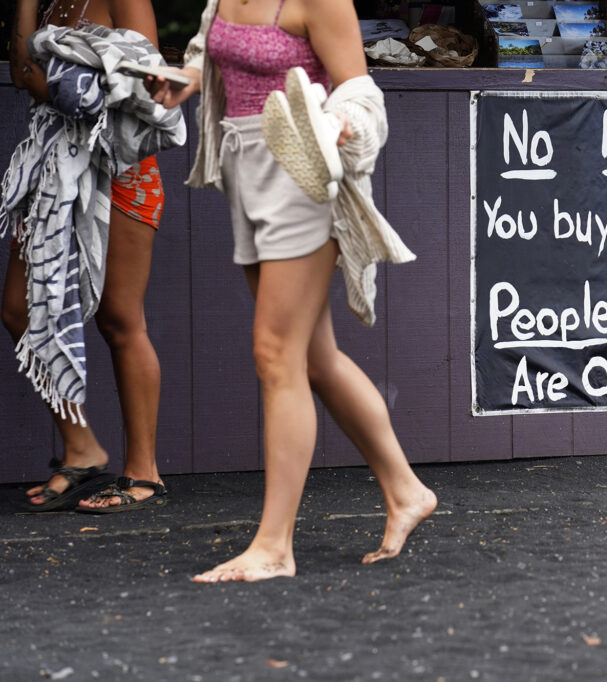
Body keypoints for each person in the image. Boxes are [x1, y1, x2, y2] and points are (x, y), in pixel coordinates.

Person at [147, 0, 436, 582]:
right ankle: (407, 491)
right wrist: (188, 78)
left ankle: (274, 547)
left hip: (303, 176)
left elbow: (362, 92)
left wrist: (337, 122)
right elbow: (213, 49)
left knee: (275, 354)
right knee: (313, 357)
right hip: (243, 167)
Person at [4, 0, 168, 512]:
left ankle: (145, 474)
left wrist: (59, 78)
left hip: (120, 169)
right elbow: (22, 74)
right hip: (54, 170)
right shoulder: (50, 2)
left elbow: (149, 82)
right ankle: (82, 448)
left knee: (121, 320)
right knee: (17, 307)